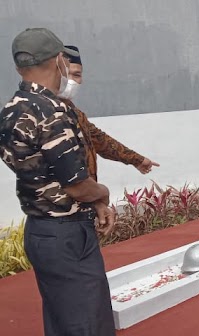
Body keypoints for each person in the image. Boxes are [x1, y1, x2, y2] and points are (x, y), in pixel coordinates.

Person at [0, 28, 116, 335]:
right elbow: (76, 185)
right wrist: (102, 193)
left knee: (61, 320)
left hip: (40, 232)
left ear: (18, 66)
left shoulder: (12, 109)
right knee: (87, 322)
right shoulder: (52, 111)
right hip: (67, 234)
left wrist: (96, 202)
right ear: (59, 61)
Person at [59, 45, 159, 181]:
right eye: (65, 74)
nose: (70, 81)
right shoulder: (42, 113)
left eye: (76, 75)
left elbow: (100, 140)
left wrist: (137, 159)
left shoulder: (75, 114)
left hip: (85, 195)